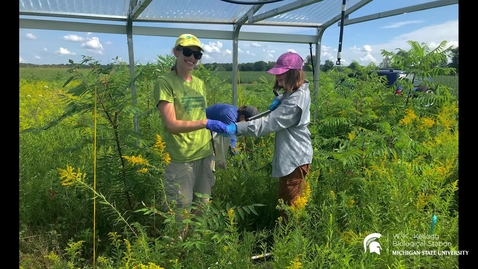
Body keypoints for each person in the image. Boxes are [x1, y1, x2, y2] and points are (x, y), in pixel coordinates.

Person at [220, 51, 313, 221]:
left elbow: (267, 124)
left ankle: (289, 243)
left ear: (294, 73)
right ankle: (289, 239)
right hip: (294, 157)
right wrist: (281, 97)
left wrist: (236, 128)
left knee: (289, 208)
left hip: (295, 158)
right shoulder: (294, 93)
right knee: (289, 203)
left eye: (282, 73)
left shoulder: (295, 101)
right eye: (277, 73)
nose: (278, 77)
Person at [154, 33, 230, 232]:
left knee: (201, 209)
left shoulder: (199, 83)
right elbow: (171, 124)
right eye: (188, 52)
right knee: (180, 212)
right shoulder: (165, 82)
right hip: (181, 158)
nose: (193, 58)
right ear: (176, 52)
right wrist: (205, 123)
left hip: (205, 155)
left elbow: (197, 114)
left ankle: (194, 252)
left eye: (197, 55)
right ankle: (175, 255)